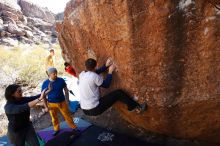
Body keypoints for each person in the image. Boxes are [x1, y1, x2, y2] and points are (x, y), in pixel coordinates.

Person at [78, 58, 146, 116]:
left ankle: (132, 106)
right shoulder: (93, 76)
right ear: (95, 67)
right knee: (118, 93)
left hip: (85, 109)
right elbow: (106, 85)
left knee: (113, 97)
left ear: (86, 66)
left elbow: (95, 72)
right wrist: (110, 72)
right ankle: (135, 107)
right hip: (95, 108)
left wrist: (106, 66)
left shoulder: (82, 74)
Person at [42, 67, 77, 136]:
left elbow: (66, 90)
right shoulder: (45, 83)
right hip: (51, 104)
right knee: (54, 117)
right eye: (53, 73)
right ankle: (56, 129)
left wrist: (67, 100)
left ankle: (74, 127)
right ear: (49, 74)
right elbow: (43, 96)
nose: (56, 74)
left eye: (56, 73)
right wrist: (46, 106)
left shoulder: (61, 80)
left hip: (62, 102)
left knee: (67, 115)